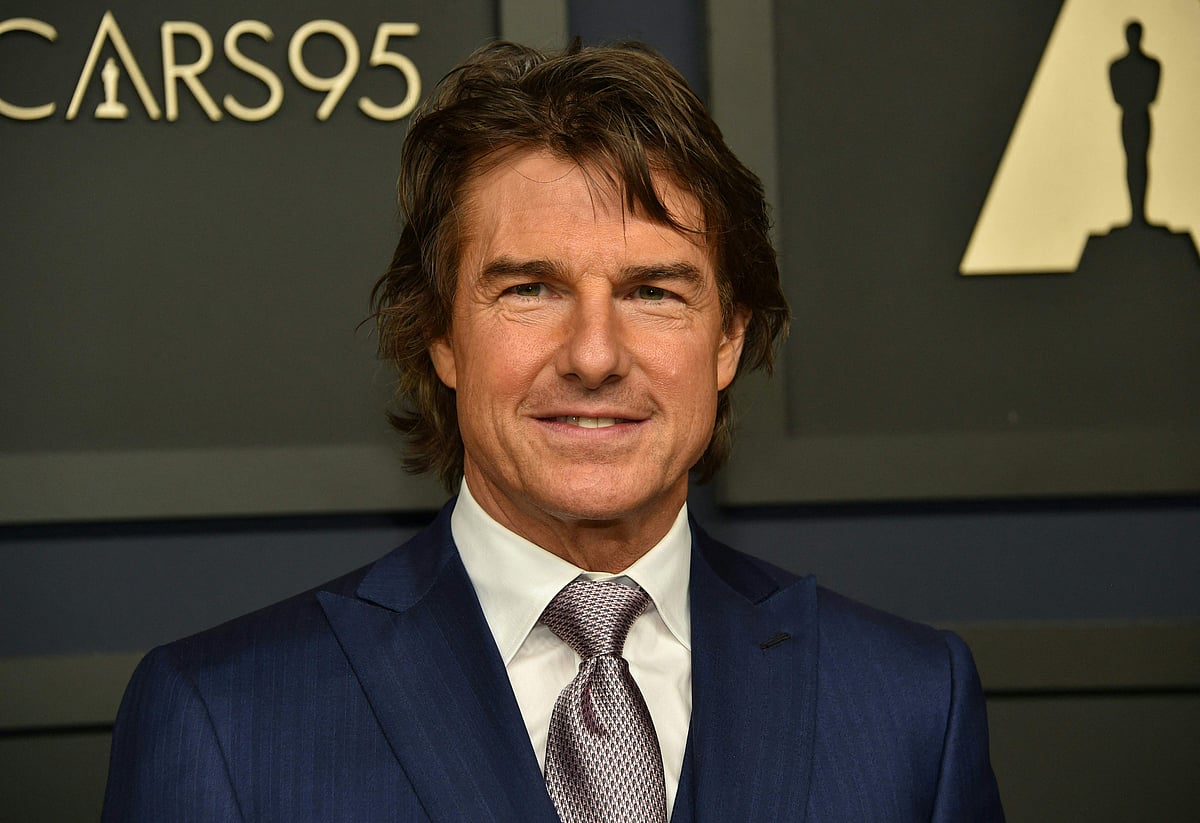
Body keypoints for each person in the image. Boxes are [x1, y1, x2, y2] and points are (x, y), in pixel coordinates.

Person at [102, 41, 1004, 821]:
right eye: (530, 288)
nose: (595, 355)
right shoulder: (223, 717)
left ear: (728, 338)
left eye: (654, 290)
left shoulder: (911, 703)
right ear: (441, 334)